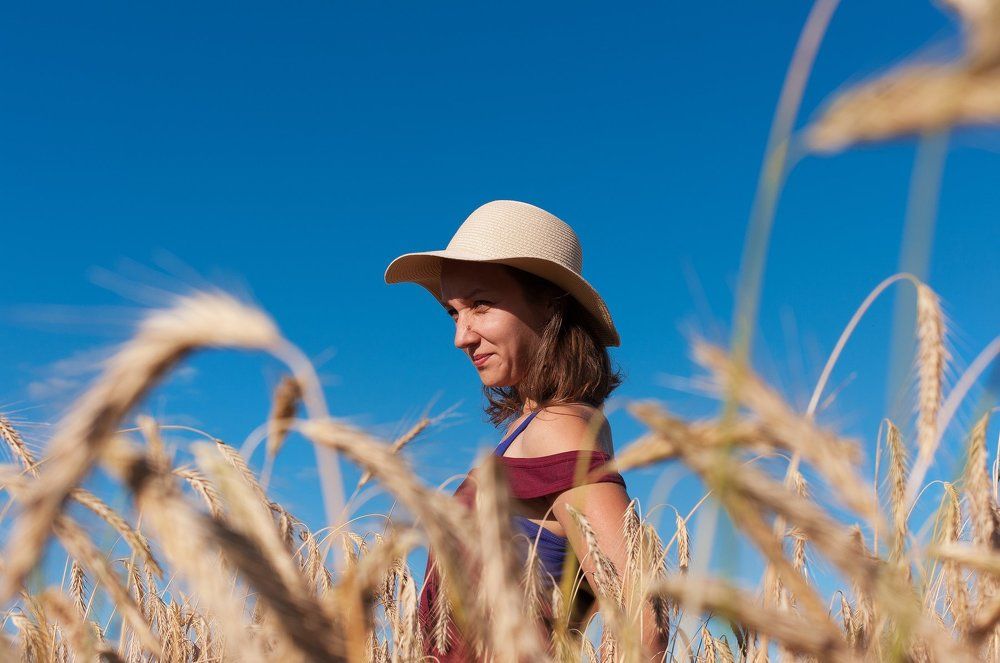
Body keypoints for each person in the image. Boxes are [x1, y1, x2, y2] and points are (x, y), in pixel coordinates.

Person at [384, 199, 667, 661]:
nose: (461, 336)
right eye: (453, 312)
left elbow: (644, 621)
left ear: (549, 306)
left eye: (481, 304)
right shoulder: (535, 427)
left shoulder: (560, 427)